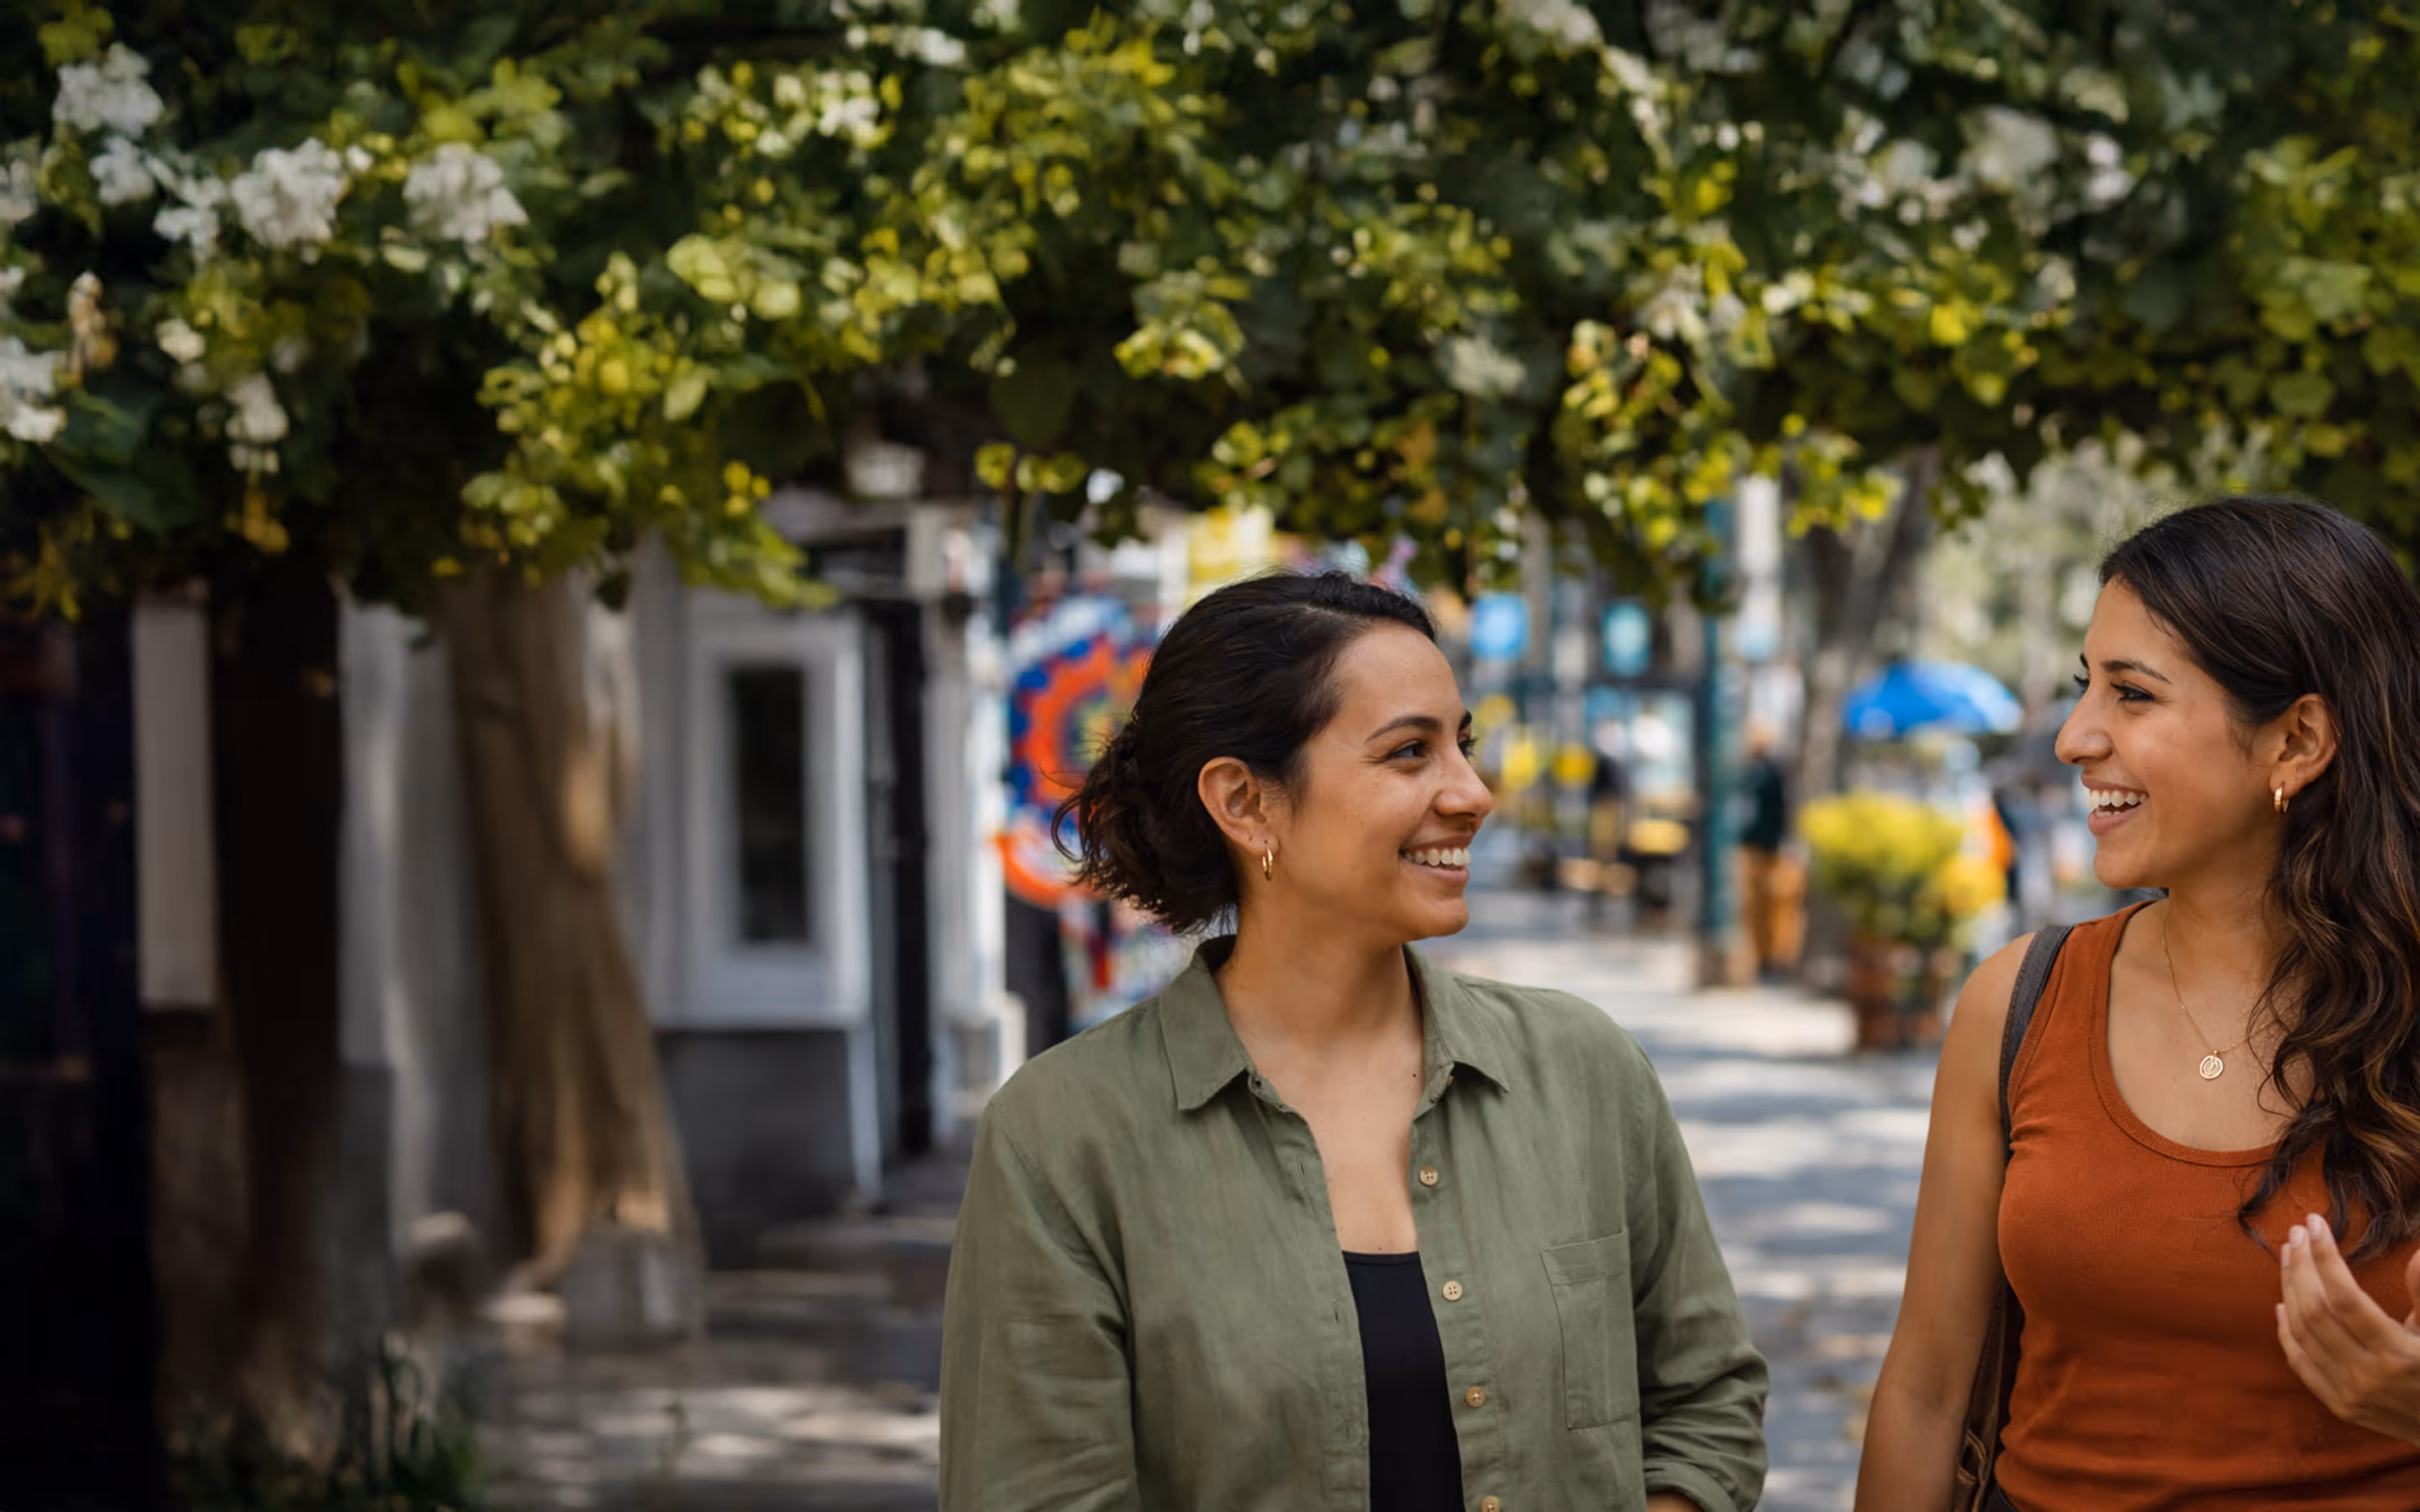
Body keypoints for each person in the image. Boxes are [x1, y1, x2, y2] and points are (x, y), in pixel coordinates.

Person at [940, 571, 1767, 1511]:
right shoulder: (1063, 1138)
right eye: (1410, 752)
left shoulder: (1584, 1072)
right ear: (1245, 802)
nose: (1473, 793)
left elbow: (1706, 1404)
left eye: (1465, 744)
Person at [1857, 498, 2420, 1510]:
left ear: (2297, 741)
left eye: (2134, 695)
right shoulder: (2018, 1001)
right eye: (2086, 686)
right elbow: (1927, 1393)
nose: (2075, 736)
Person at [1736, 721, 1799, 980]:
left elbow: (1782, 810)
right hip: (1750, 846)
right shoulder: (1747, 772)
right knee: (1753, 907)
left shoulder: (1773, 772)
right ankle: (1759, 958)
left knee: (1776, 907)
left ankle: (1774, 960)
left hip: (1770, 848)